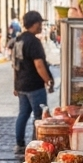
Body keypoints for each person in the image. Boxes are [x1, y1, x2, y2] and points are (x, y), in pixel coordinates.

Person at [13, 9, 54, 152]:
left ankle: (19, 144)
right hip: (34, 85)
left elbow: (15, 65)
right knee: (39, 116)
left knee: (23, 114)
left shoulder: (19, 39)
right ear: (35, 24)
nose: (41, 26)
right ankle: (36, 146)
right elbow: (39, 65)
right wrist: (48, 80)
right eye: (40, 23)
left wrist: (16, 85)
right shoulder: (34, 41)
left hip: (22, 85)